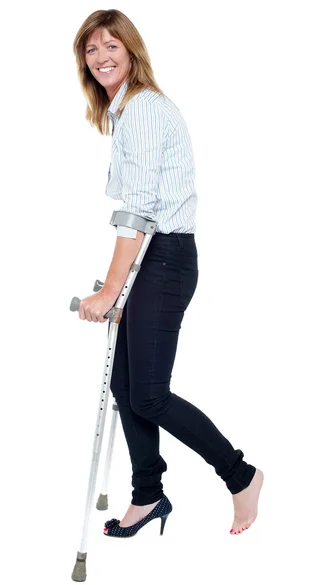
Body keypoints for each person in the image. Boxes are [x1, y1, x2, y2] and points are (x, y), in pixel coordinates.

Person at [72, 9, 264, 538]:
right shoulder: (122, 110)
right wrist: (114, 281)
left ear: (132, 49)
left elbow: (138, 209)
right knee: (126, 384)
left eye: (111, 46)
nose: (102, 57)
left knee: (149, 394)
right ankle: (148, 496)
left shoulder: (145, 109)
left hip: (165, 258)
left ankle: (241, 475)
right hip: (151, 257)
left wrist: (112, 289)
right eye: (91, 50)